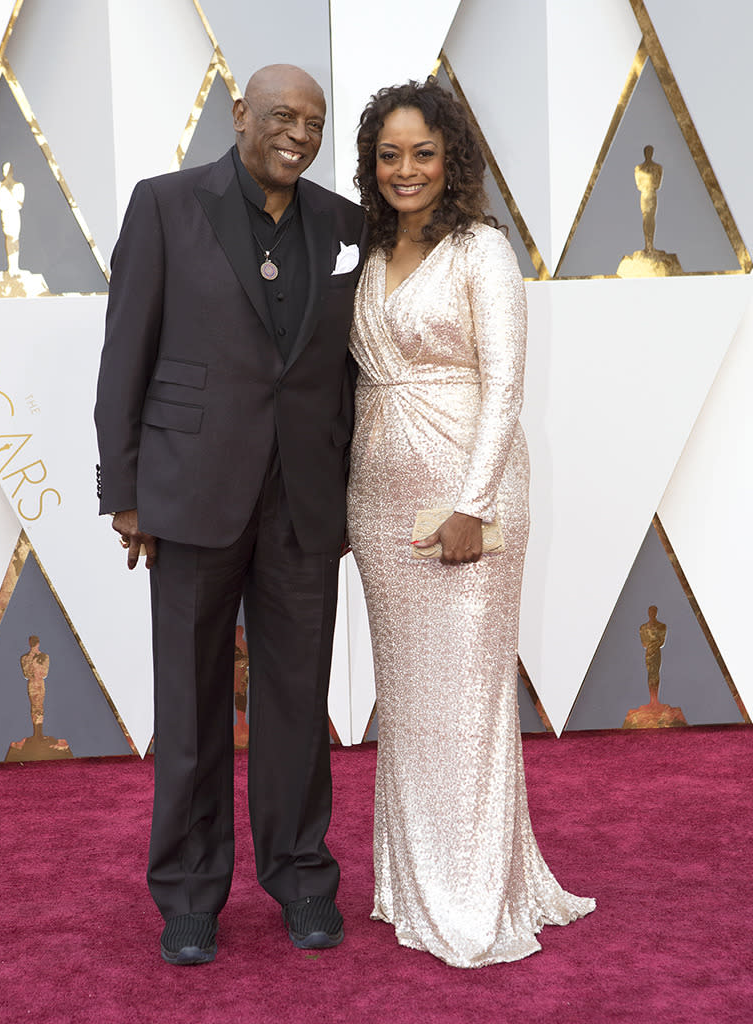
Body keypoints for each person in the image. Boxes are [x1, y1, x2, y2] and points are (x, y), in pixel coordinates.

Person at [94, 64, 364, 965]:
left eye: (314, 122)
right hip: (190, 493)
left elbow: (348, 374)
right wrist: (124, 493)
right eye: (281, 116)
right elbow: (124, 350)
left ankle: (301, 881)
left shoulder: (343, 225)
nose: (298, 134)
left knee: (296, 704)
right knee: (193, 708)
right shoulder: (166, 204)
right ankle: (188, 896)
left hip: (303, 502)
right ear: (239, 114)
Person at [347, 79, 595, 967]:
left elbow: (504, 385)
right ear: (371, 164)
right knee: (410, 705)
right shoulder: (372, 251)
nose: (404, 169)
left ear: (450, 158)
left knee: (467, 703)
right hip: (378, 509)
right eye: (388, 154)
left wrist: (472, 504)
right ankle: (413, 882)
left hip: (466, 505)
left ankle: (472, 896)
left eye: (422, 152)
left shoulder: (481, 250)